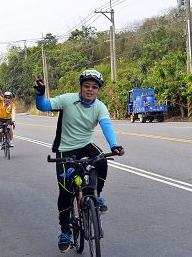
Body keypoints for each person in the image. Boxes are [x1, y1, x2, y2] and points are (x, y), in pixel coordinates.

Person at [33, 70, 125, 253]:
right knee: (66, 191)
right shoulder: (67, 100)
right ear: (81, 87)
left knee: (101, 162)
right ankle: (65, 231)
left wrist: (114, 145)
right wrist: (40, 94)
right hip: (65, 149)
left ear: (98, 90)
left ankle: (96, 196)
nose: (90, 90)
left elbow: (107, 125)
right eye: (86, 86)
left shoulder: (100, 106)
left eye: (94, 87)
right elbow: (43, 106)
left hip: (85, 145)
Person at [0, 80, 16, 149]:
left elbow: (13, 112)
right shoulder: (1, 101)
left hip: (8, 119)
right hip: (0, 119)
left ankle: (11, 141)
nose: (7, 99)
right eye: (6, 98)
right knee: (1, 131)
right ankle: (0, 143)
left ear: (10, 98)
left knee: (9, 128)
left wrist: (13, 121)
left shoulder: (12, 105)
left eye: (9, 98)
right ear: (4, 98)